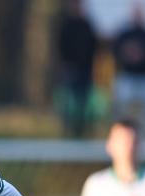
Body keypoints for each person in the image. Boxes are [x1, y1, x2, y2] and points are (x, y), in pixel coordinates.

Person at [110, 3, 145, 127]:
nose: (138, 15)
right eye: (135, 12)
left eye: (140, 12)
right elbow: (116, 54)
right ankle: (122, 130)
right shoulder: (124, 35)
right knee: (120, 95)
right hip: (128, 77)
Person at [56, 0, 97, 138]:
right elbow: (61, 46)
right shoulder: (66, 24)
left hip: (85, 70)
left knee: (83, 102)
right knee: (68, 102)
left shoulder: (87, 25)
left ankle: (81, 129)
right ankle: (67, 128)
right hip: (70, 69)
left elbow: (93, 47)